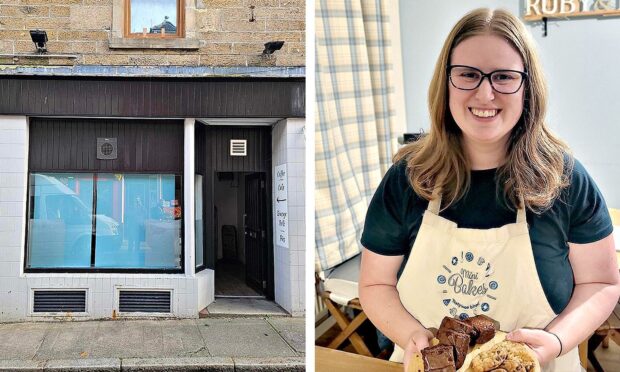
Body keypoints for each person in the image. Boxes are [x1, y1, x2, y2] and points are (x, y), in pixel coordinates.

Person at [359, 8, 620, 372]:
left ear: (527, 87)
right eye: (468, 75)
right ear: (446, 82)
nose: (486, 93)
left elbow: (601, 282)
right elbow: (374, 284)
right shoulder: (407, 178)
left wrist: (556, 341)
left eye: (503, 77)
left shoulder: (566, 180)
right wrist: (410, 335)